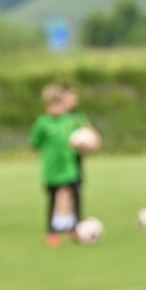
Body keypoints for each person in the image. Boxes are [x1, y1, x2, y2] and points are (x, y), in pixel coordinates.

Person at [29, 83, 93, 239]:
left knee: (71, 194)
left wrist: (84, 145)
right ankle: (53, 230)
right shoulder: (42, 123)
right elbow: (34, 144)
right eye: (52, 105)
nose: (56, 108)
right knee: (54, 198)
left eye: (59, 104)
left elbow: (85, 137)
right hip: (52, 168)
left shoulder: (71, 121)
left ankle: (75, 228)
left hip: (69, 167)